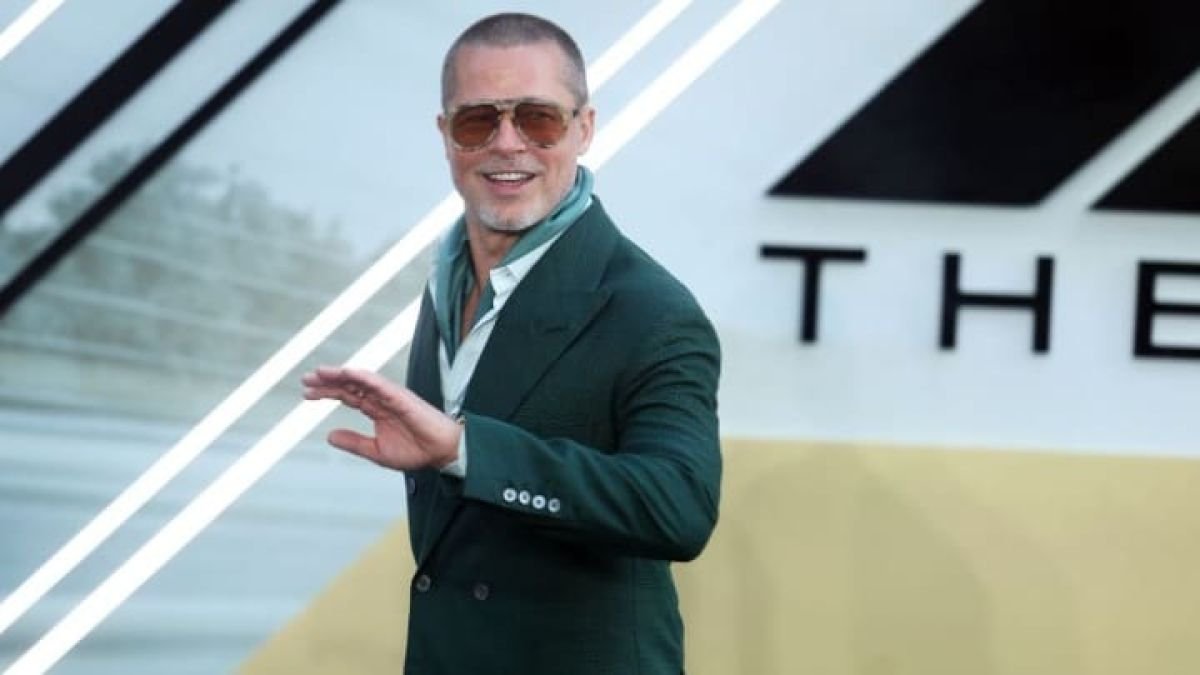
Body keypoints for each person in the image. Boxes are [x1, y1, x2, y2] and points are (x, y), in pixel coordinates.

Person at [302, 12, 721, 674]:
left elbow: (679, 507)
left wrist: (464, 450)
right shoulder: (447, 278)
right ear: (446, 136)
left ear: (584, 127)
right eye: (477, 122)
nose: (506, 143)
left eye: (537, 119)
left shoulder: (653, 310)